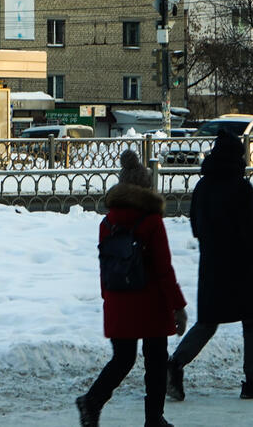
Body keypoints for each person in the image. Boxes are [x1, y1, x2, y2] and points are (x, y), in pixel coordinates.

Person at [167, 131, 253, 402]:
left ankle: (174, 364)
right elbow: (251, 231)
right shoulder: (241, 187)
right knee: (252, 320)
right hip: (242, 266)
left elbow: (195, 225)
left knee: (208, 321)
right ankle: (252, 380)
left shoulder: (203, 186)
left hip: (212, 265)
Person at [77, 151, 186, 427]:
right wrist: (178, 305)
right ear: (147, 188)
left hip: (118, 299)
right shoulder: (151, 221)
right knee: (156, 362)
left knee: (123, 359)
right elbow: (163, 269)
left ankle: (92, 401)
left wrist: (108, 300)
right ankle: (154, 419)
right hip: (150, 302)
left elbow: (105, 265)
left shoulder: (108, 222)